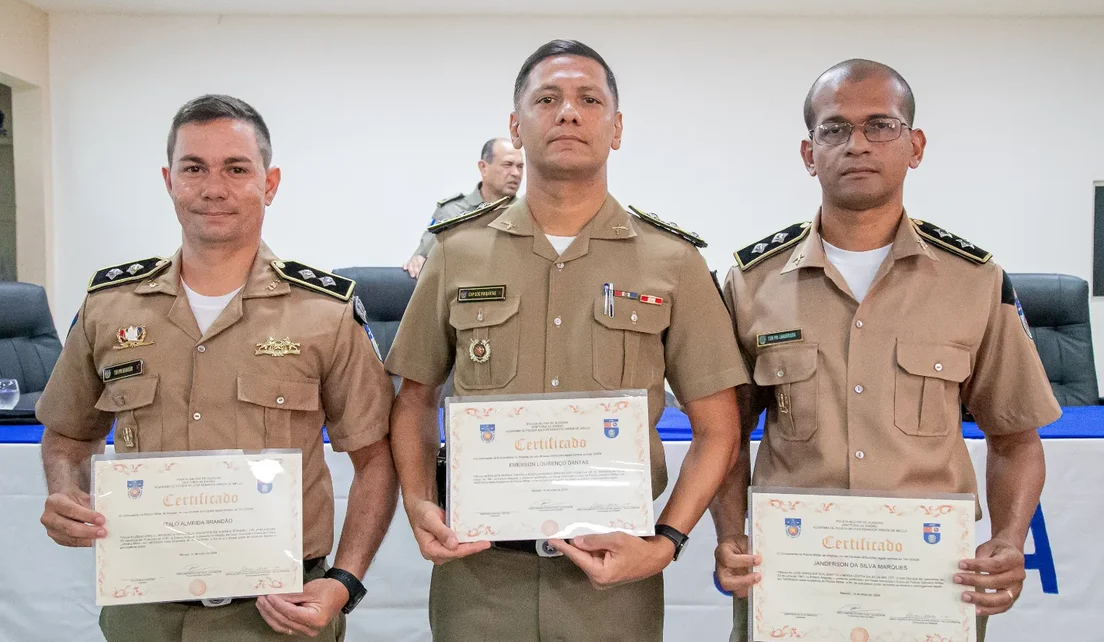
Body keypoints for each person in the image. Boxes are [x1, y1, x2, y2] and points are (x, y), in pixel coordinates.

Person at [386, 39, 748, 641]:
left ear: (617, 127)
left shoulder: (672, 261)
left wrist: (668, 541)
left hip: (612, 579)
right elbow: (414, 400)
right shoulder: (456, 251)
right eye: (547, 99)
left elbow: (719, 424)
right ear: (516, 125)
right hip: (479, 576)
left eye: (589, 99)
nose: (568, 113)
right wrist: (419, 501)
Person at [710, 59, 1061, 642]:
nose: (857, 144)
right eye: (834, 128)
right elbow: (721, 436)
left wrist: (1008, 540)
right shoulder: (751, 282)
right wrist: (728, 533)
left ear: (915, 145)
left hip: (929, 586)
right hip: (792, 586)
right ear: (808, 152)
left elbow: (1016, 437)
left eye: (881, 125)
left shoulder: (973, 280)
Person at [36, 94, 398, 641]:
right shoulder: (110, 306)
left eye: (236, 168)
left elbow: (377, 459)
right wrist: (66, 492)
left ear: (269, 183)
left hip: (279, 613)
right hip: (144, 612)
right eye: (193, 168)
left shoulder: (324, 311)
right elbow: (66, 437)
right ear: (168, 180)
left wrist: (344, 581)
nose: (213, 188)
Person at [402, 138, 524, 278]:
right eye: (507, 165)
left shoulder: (528, 214)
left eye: (520, 166)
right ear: (483, 167)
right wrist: (418, 261)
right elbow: (421, 257)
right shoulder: (452, 211)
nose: (516, 173)